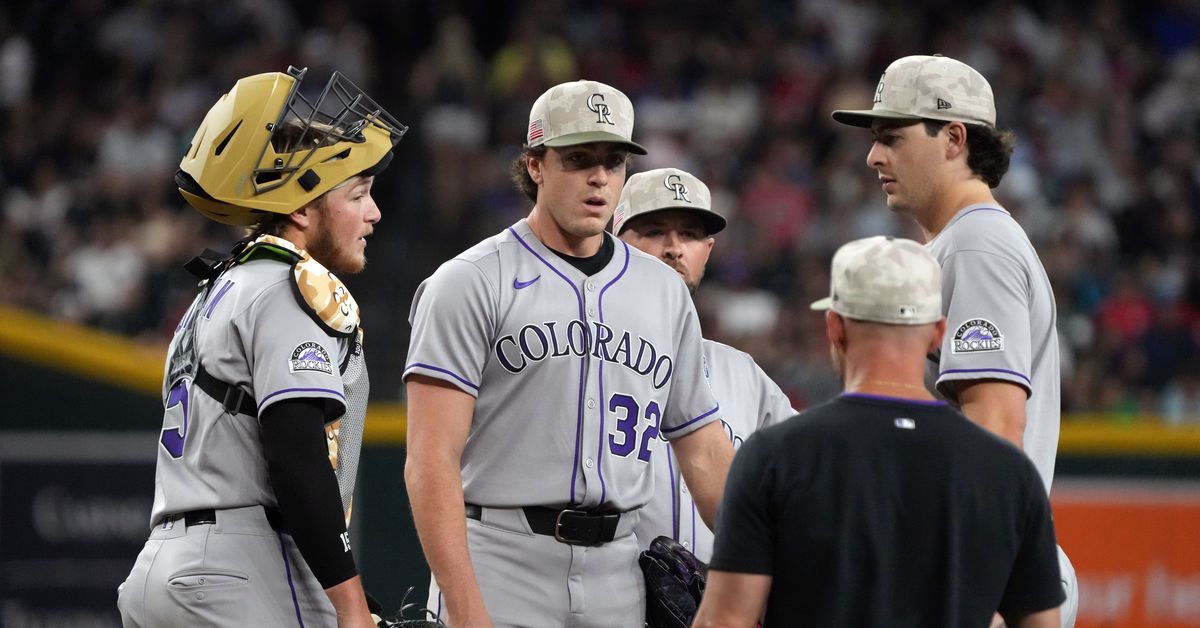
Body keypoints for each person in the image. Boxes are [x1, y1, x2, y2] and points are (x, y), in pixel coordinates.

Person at [403, 80, 735, 627]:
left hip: (619, 569)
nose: (599, 177)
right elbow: (429, 462)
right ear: (535, 165)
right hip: (501, 558)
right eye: (579, 159)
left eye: (613, 161)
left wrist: (767, 565)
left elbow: (703, 451)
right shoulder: (469, 281)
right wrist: (465, 610)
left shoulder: (664, 290)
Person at [117, 66, 407, 628]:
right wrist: (350, 610)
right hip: (240, 568)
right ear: (301, 208)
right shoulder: (286, 288)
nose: (373, 212)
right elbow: (296, 458)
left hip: (162, 570)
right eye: (359, 193)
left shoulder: (220, 287)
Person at [694, 235, 1066, 628]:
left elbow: (726, 621)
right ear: (938, 333)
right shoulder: (1008, 471)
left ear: (835, 327)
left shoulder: (773, 456)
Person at [830, 54, 1078, 626]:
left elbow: (995, 425)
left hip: (982, 572)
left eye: (892, 136)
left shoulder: (977, 245)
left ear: (954, 138)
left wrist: (976, 586)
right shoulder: (960, 243)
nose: (873, 155)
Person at [612, 167, 795, 561]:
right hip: (607, 600)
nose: (674, 248)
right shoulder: (583, 356)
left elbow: (806, 473)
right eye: (654, 231)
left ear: (707, 251)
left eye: (690, 235)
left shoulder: (741, 373)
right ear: (614, 244)